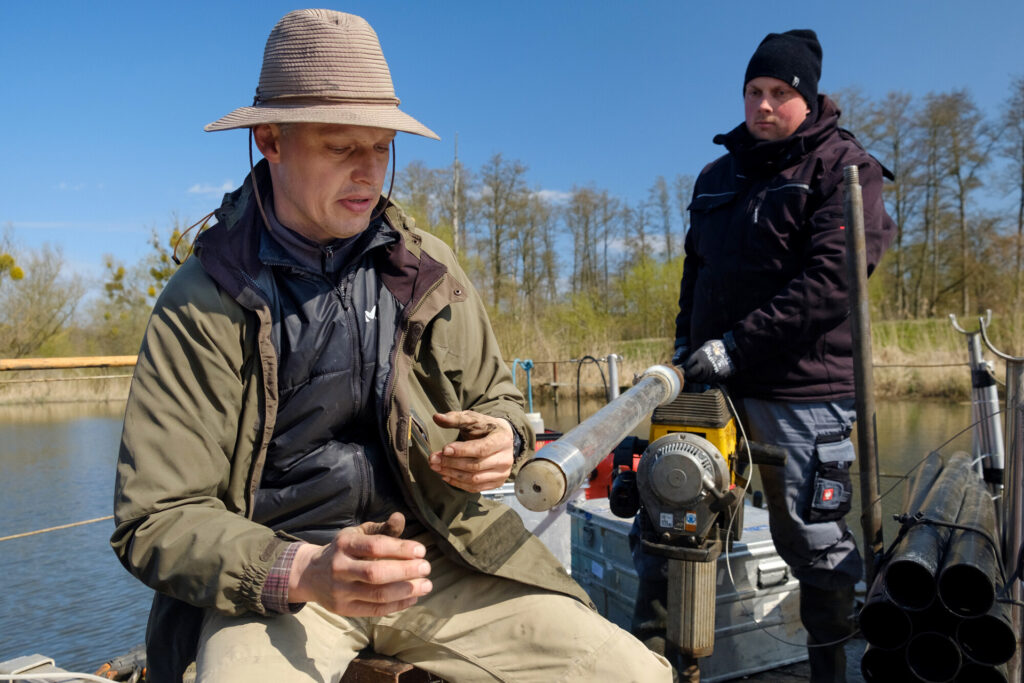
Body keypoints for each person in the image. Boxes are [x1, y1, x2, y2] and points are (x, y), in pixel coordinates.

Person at [111, 9, 671, 683]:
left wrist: (505, 436)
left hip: (444, 559)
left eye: (380, 147)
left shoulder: (427, 268)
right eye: (340, 146)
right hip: (282, 589)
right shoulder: (203, 299)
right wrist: (306, 570)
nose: (368, 171)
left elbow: (498, 396)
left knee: (633, 673)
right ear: (271, 140)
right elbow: (156, 518)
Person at [633, 29, 895, 683]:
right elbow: (696, 277)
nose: (764, 105)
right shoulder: (716, 177)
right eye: (754, 91)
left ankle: (831, 667)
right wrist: (685, 349)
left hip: (804, 391)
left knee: (815, 540)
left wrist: (736, 347)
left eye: (780, 92)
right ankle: (662, 664)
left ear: (807, 98)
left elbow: (832, 283)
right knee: (672, 519)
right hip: (709, 385)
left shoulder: (844, 169)